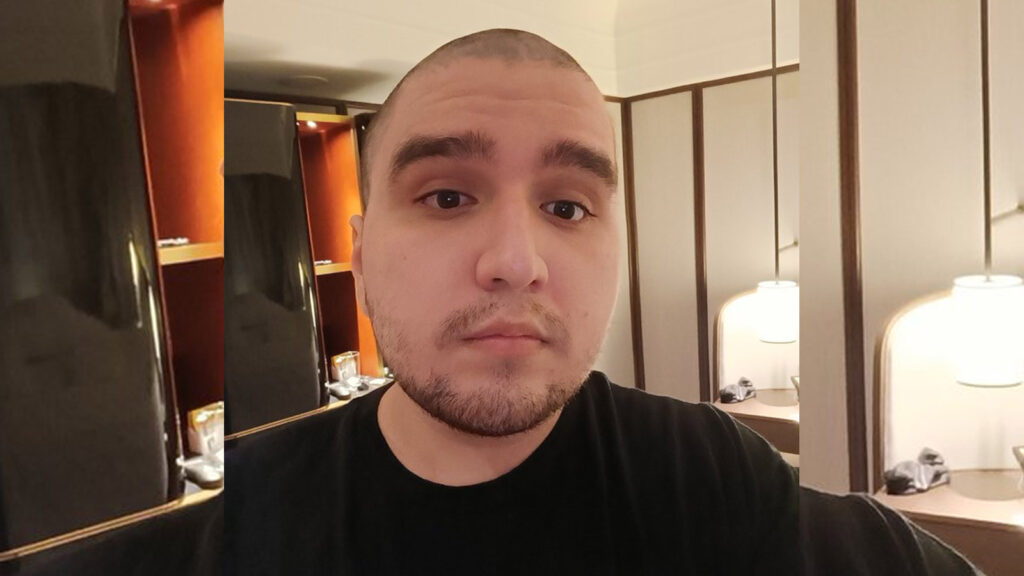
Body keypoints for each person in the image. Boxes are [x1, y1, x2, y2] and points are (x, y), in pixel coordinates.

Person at [225, 29, 976, 575]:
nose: (515, 264)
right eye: (447, 196)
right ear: (360, 257)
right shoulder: (234, 522)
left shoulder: (707, 475)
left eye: (567, 208)